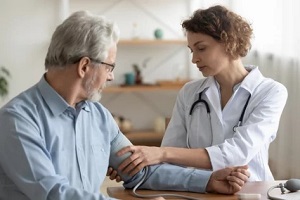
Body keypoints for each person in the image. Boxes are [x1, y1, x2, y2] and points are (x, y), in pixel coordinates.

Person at [0, 10, 250, 200]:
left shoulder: (98, 115)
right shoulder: (17, 120)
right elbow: (53, 192)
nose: (110, 76)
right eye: (109, 66)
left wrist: (207, 181)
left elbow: (140, 171)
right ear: (84, 66)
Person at [109, 5, 288, 182]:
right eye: (191, 50)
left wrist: (161, 153)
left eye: (201, 48)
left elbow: (237, 154)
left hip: (253, 191)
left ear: (230, 43)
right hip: (201, 190)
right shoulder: (189, 92)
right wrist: (131, 167)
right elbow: (169, 159)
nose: (194, 59)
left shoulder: (270, 92)